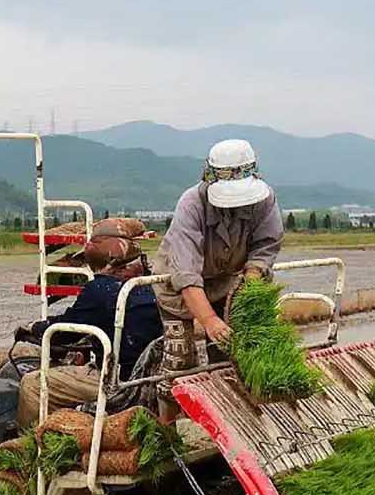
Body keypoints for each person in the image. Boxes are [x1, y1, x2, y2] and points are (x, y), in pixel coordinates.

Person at [151, 138, 282, 419]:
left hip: (224, 280)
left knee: (229, 352)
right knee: (179, 358)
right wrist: (209, 320)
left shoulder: (264, 199)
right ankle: (166, 428)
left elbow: (267, 243)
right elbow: (186, 273)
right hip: (176, 286)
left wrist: (253, 273)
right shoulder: (192, 204)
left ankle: (230, 418)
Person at [15, 230, 160, 427]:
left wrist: (35, 327)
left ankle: (33, 446)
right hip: (150, 377)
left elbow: (64, 332)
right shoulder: (153, 286)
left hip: (118, 382)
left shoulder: (101, 290)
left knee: (32, 384)